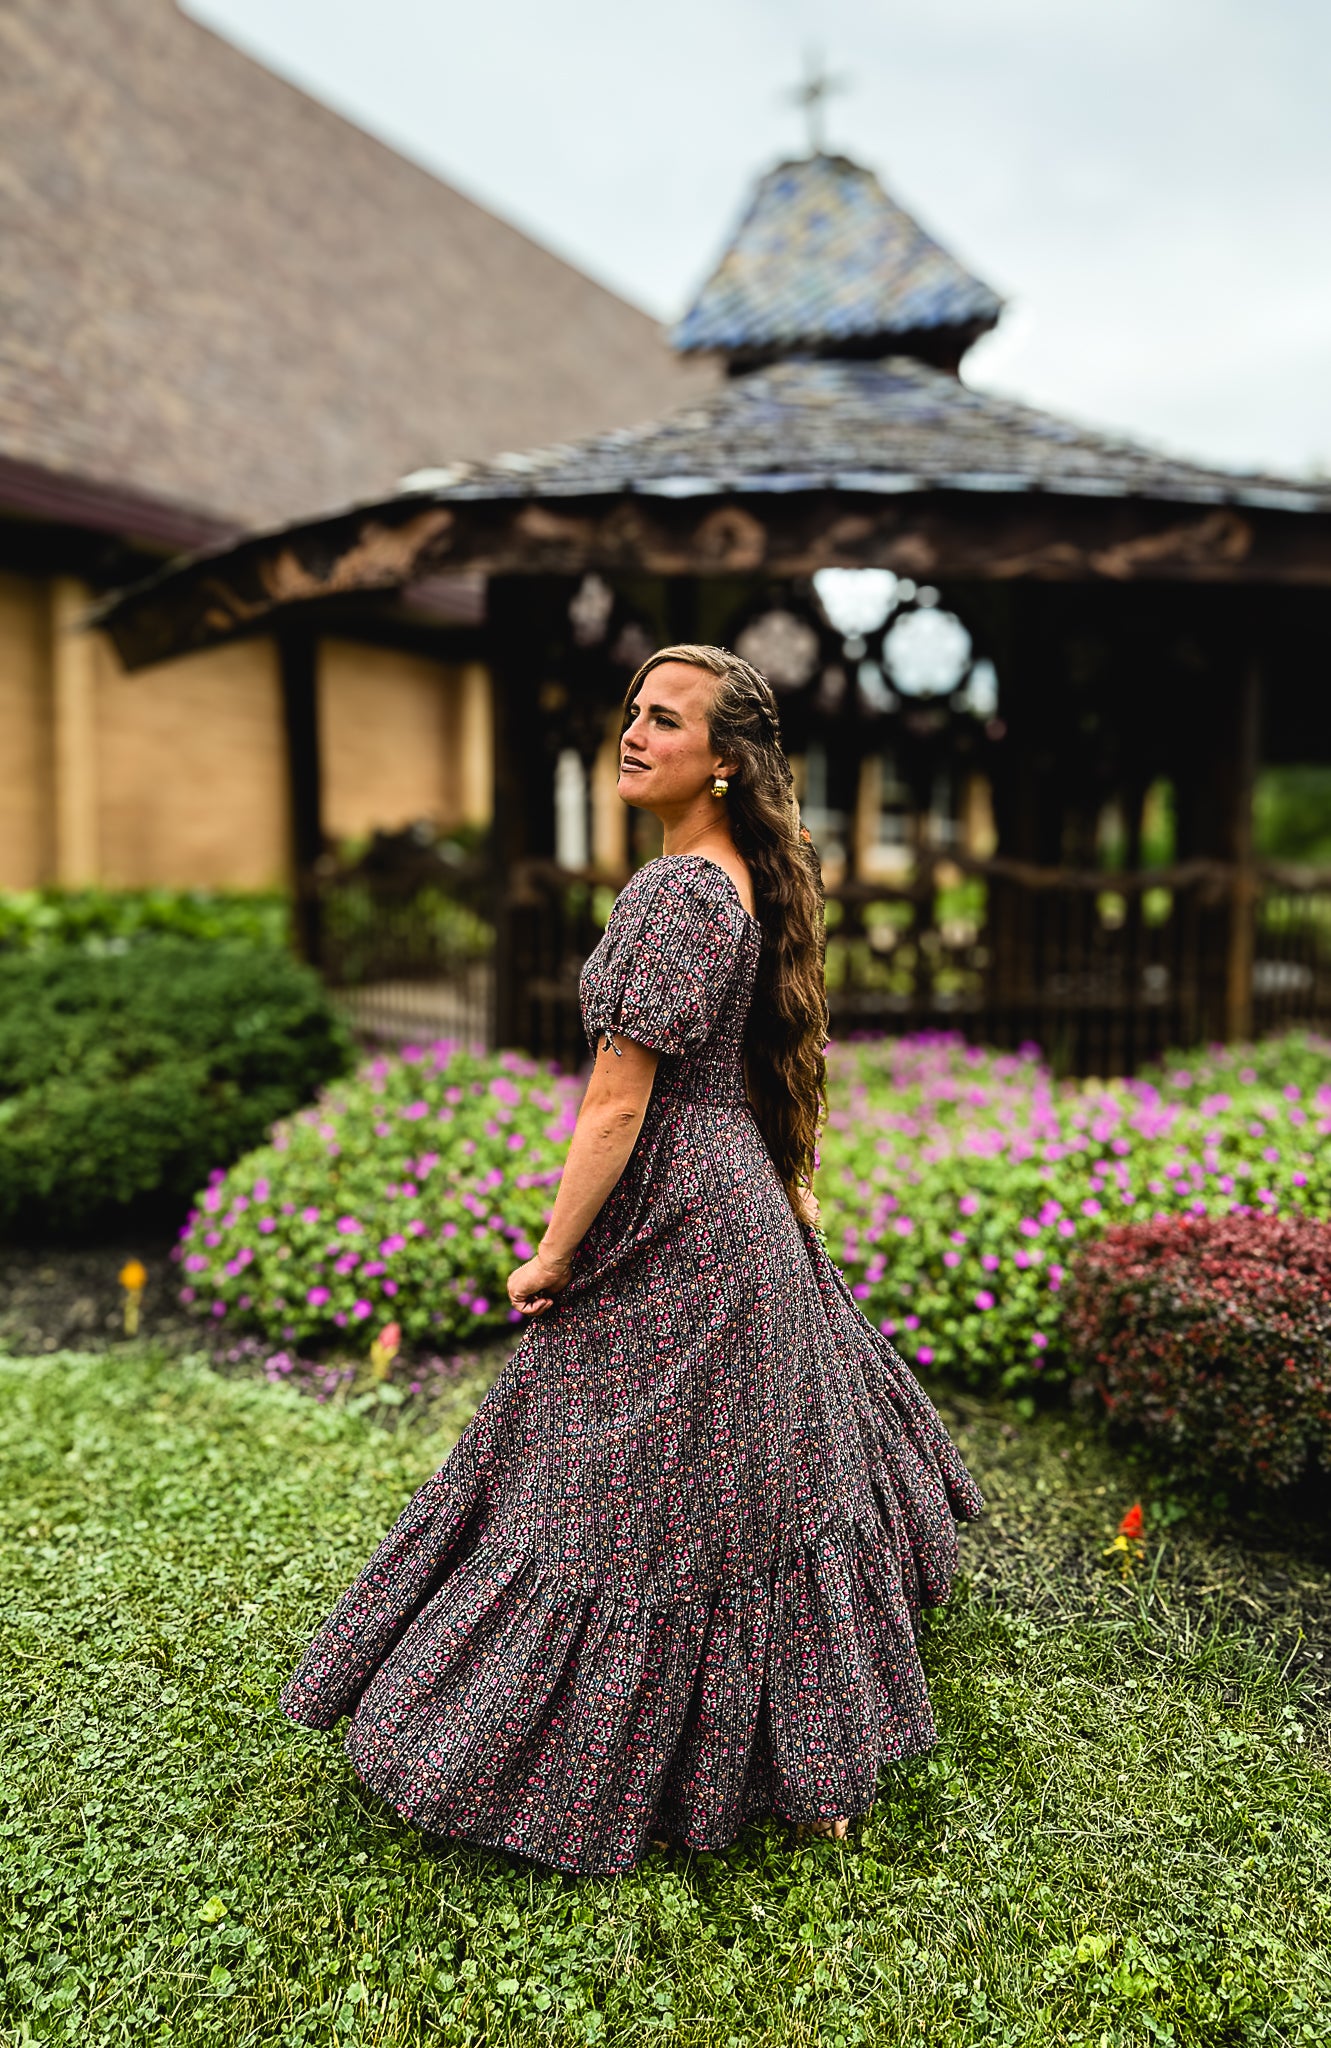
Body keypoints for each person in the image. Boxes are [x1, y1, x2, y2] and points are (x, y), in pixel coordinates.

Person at [280, 642, 983, 1874]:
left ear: (722, 763)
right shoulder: (740, 885)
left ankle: (531, 1756)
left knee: (611, 1500)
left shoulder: (673, 898)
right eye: (631, 711)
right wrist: (787, 1188)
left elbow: (614, 1106)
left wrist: (551, 1253)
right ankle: (797, 1765)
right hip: (739, 1216)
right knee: (735, 1493)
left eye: (666, 719)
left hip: (679, 1217)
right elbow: (758, 1072)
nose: (634, 731)